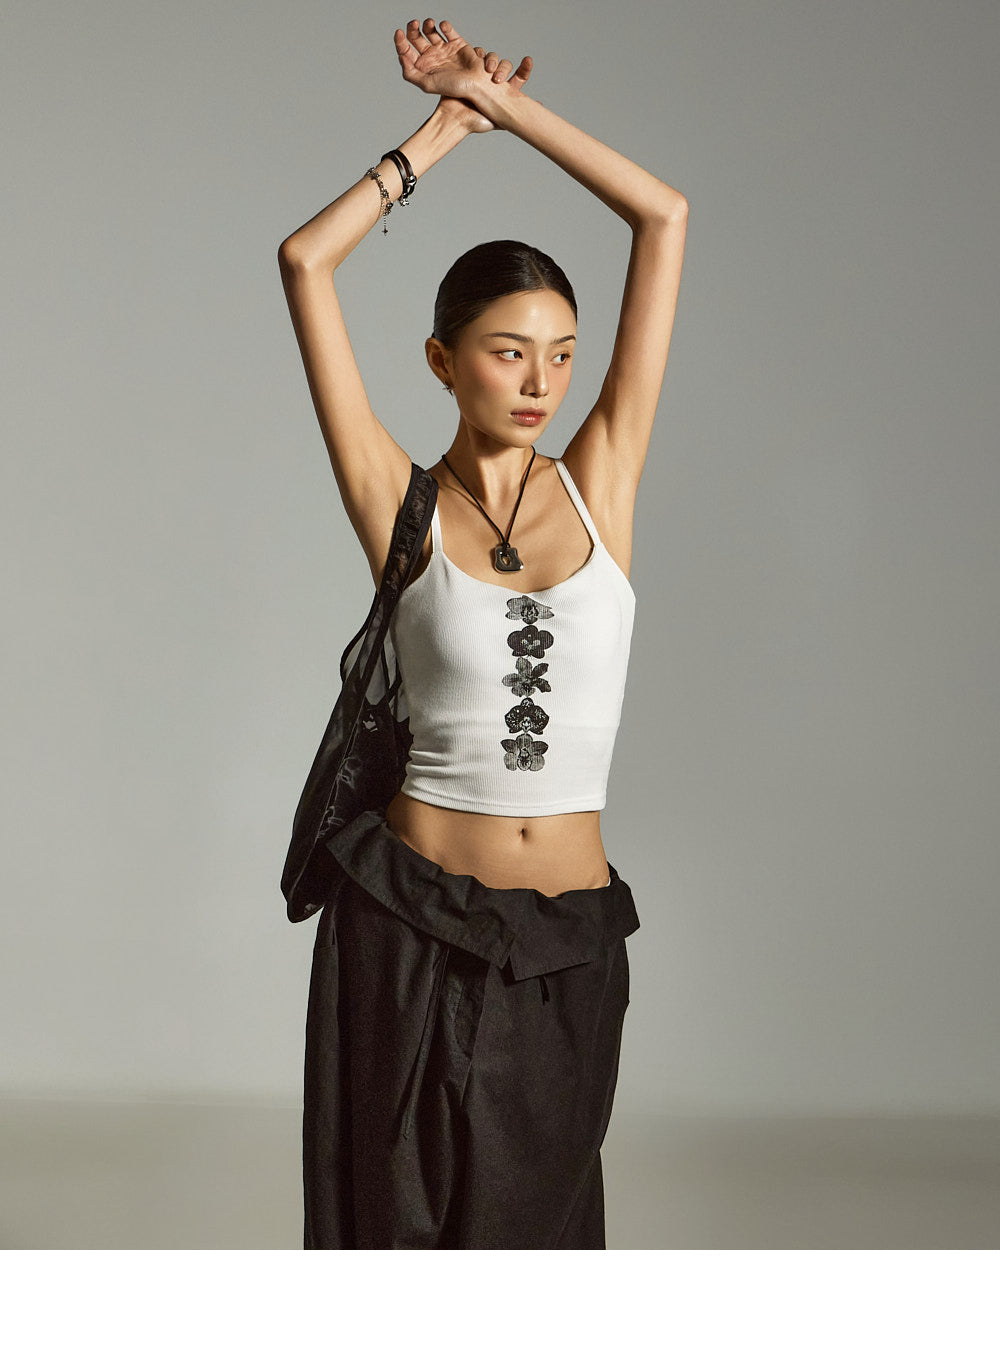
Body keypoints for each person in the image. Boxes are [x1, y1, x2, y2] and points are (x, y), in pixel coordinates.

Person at [277, 17, 687, 1249]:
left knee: (536, 1262)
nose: (541, 381)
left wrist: (509, 110)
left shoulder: (601, 483)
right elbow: (305, 262)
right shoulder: (397, 502)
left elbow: (662, 217)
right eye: (509, 352)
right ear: (443, 362)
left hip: (567, 946)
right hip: (403, 929)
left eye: (560, 355)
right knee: (396, 1255)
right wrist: (440, 134)